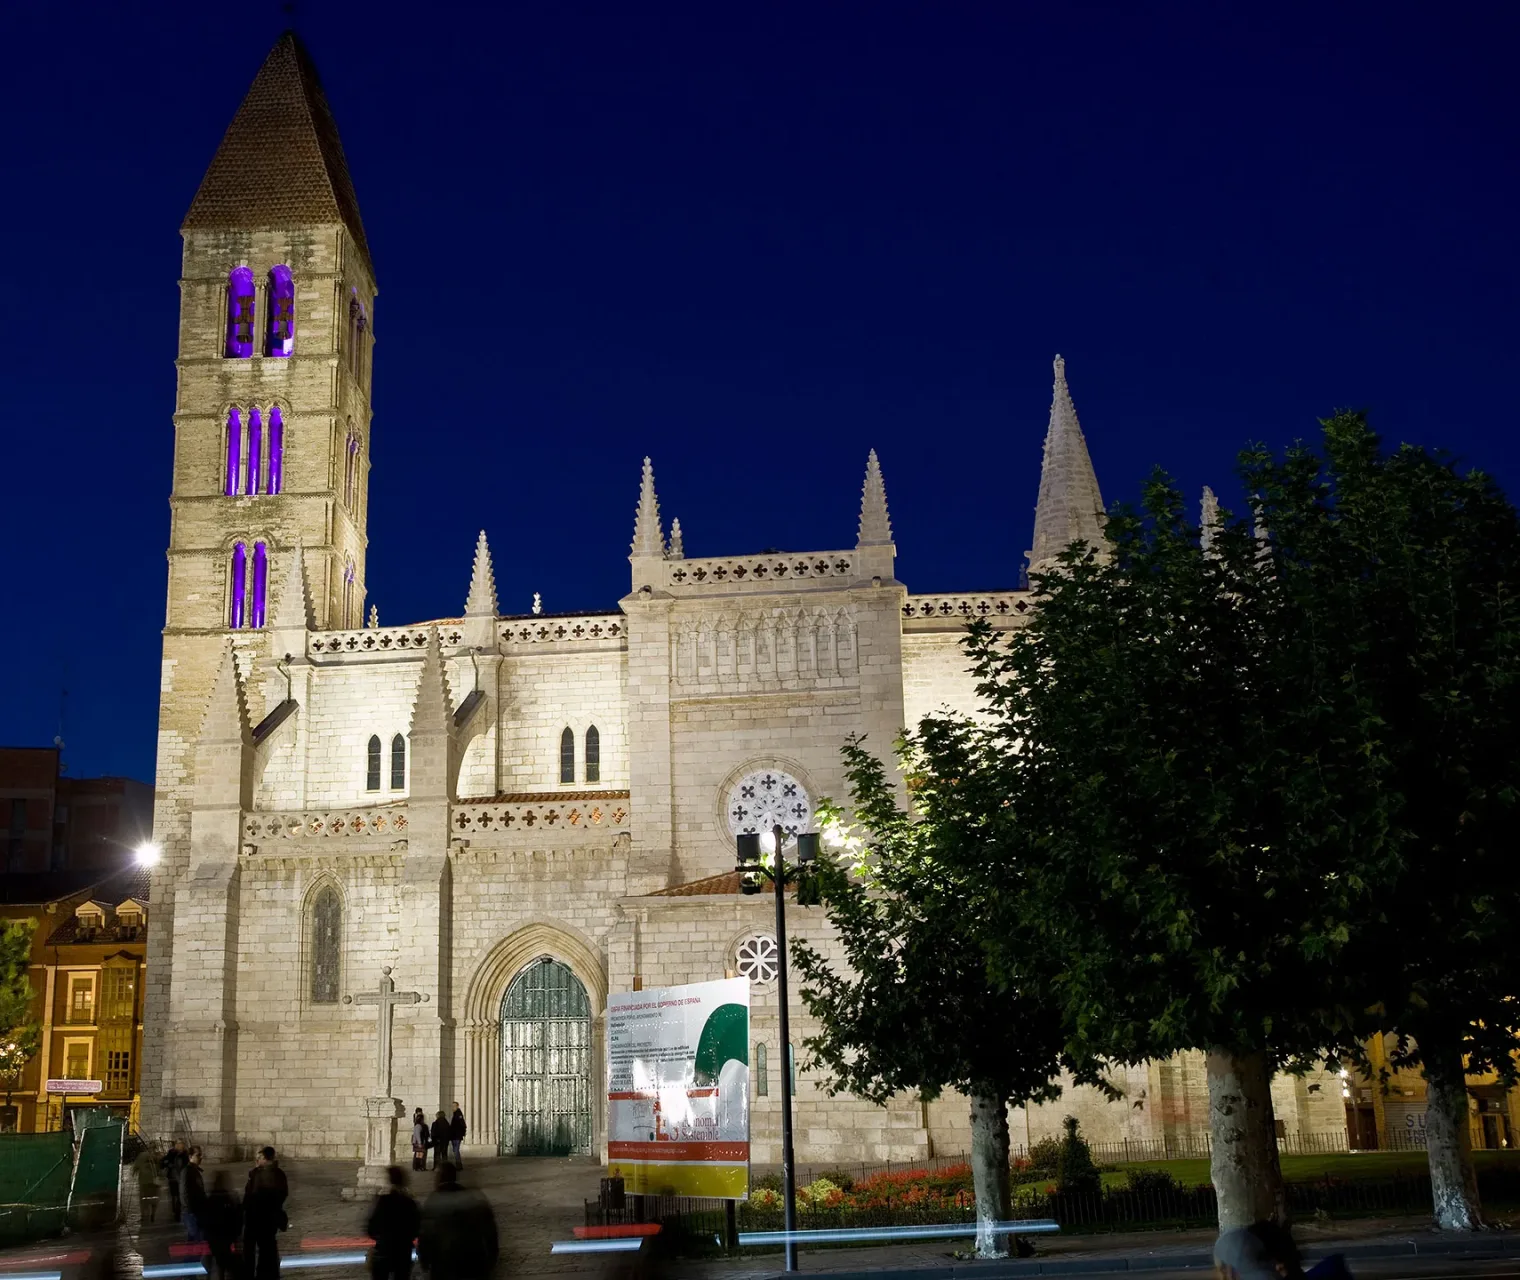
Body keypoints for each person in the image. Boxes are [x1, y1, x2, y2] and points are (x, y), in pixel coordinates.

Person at [417, 1163, 497, 1280]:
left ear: (440, 1178)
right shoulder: (473, 1198)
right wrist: (490, 1260)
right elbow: (490, 1232)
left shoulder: (433, 1202)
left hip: (444, 1265)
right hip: (473, 1263)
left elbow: (425, 1236)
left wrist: (425, 1262)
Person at [365, 1165, 421, 1280]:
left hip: (384, 1251)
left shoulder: (382, 1201)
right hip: (403, 1253)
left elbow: (371, 1228)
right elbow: (417, 1229)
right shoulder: (409, 1203)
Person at [243, 1146, 289, 1280]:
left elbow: (250, 1196)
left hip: (255, 1218)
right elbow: (283, 1194)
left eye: (260, 1157)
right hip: (270, 1219)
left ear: (264, 1158)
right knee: (268, 1249)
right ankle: (269, 1274)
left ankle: (252, 1274)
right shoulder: (279, 1174)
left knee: (250, 1251)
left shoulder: (258, 1174)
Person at [203, 1170, 244, 1280]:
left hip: (217, 1237)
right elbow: (237, 1216)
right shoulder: (228, 1197)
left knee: (219, 1263)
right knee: (224, 1263)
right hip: (225, 1236)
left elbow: (207, 1218)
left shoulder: (212, 1198)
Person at [181, 1146, 207, 1243]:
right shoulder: (187, 1171)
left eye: (201, 1154)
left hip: (197, 1211)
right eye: (198, 1155)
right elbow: (184, 1193)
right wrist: (190, 1210)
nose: (201, 1157)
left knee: (194, 1240)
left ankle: (192, 1257)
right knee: (196, 1239)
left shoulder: (194, 1170)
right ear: (190, 1156)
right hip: (191, 1212)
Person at [132, 1142, 161, 1227]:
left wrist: (134, 1172)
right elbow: (161, 1167)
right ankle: (153, 1214)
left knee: (143, 1199)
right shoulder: (157, 1156)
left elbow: (136, 1166)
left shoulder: (142, 1155)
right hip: (154, 1181)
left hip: (143, 1181)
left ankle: (144, 1215)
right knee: (154, 1198)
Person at [161, 1140, 189, 1222]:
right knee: (174, 1195)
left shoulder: (185, 1154)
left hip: (181, 1178)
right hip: (173, 1177)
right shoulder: (171, 1153)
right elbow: (164, 1162)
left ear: (183, 1145)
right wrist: (167, 1163)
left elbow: (186, 1165)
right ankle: (175, 1211)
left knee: (180, 1195)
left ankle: (178, 1211)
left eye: (180, 1143)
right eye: (177, 1143)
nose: (178, 1145)